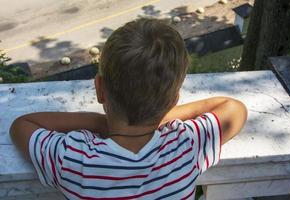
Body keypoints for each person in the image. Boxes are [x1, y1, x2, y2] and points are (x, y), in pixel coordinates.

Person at [10, 18, 247, 199]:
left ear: (100, 89)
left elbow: (22, 125)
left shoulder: (74, 159)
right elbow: (233, 109)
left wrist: (100, 123)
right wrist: (159, 117)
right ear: (173, 100)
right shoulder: (186, 146)